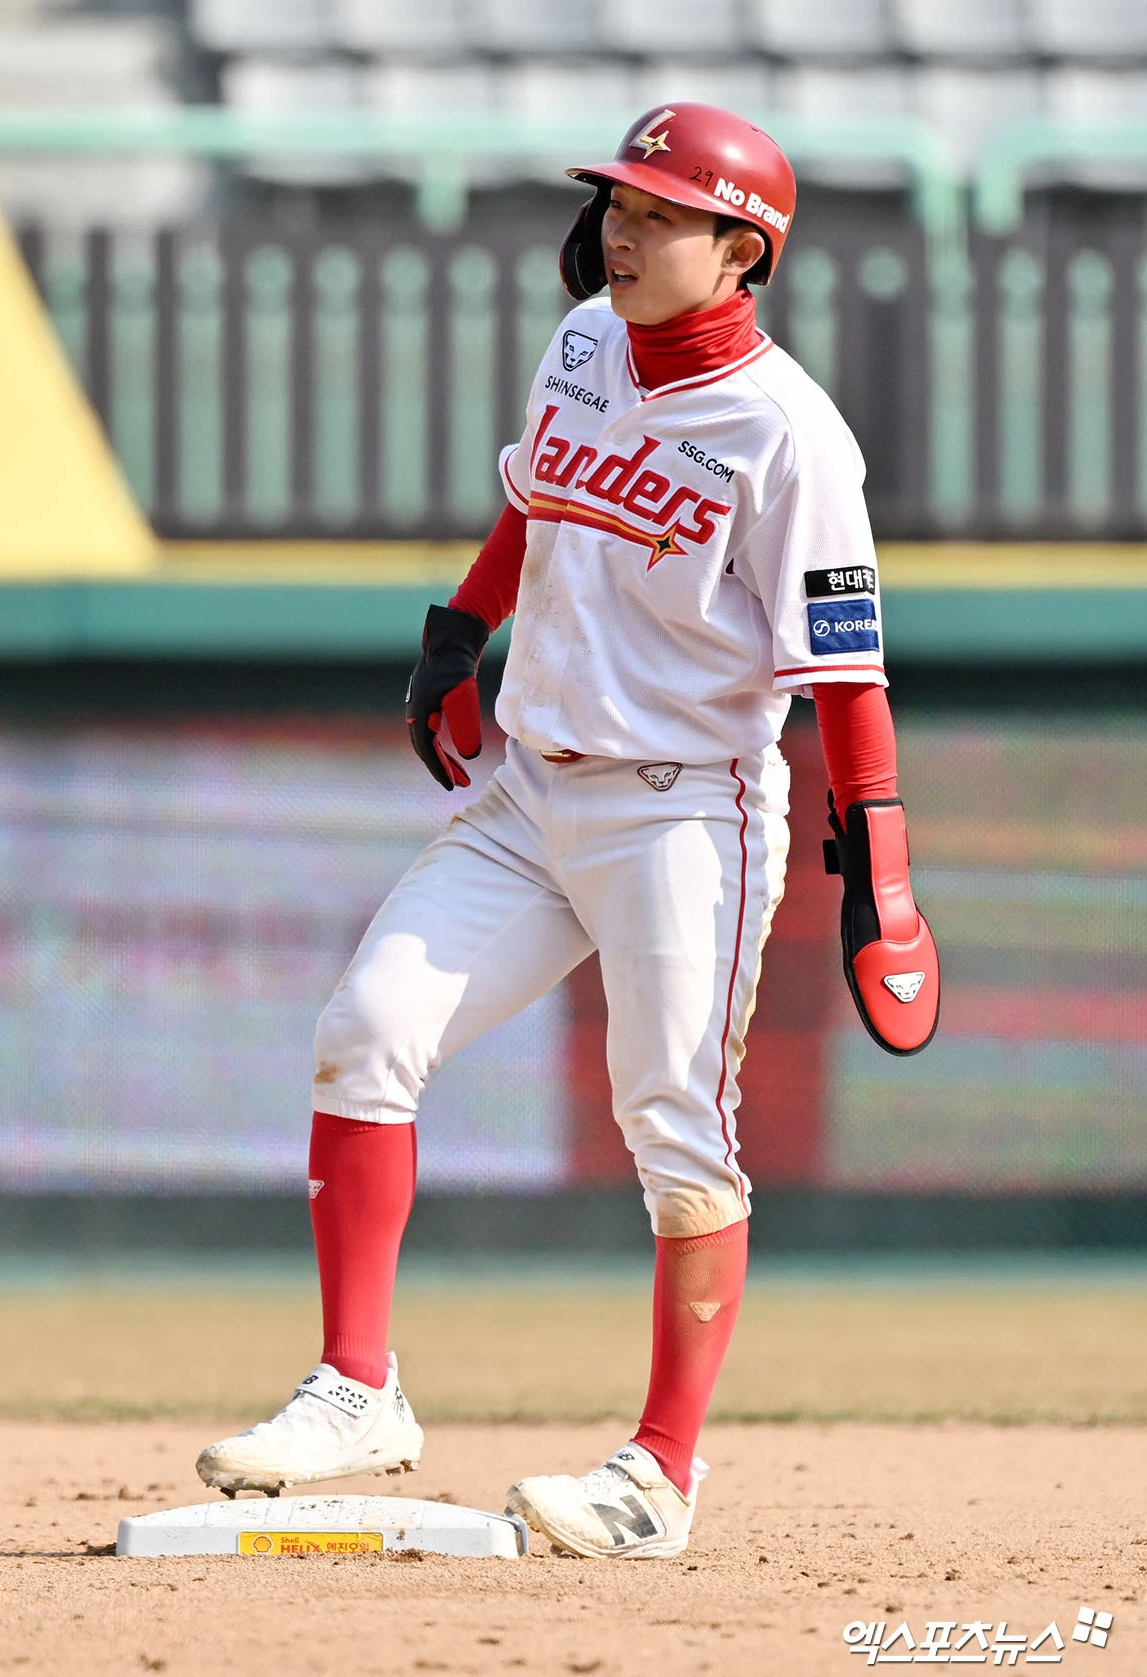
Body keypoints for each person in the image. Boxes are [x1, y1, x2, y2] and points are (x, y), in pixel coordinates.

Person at [196, 104, 939, 1560]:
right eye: (620, 202)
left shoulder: (793, 438)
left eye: (663, 213)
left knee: (674, 1127)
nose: (624, 229)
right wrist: (459, 632)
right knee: (366, 1030)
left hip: (685, 812)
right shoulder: (588, 339)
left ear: (744, 251)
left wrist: (883, 875)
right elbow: (538, 504)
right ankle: (357, 1390)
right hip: (533, 792)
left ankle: (659, 1476)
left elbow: (847, 674)